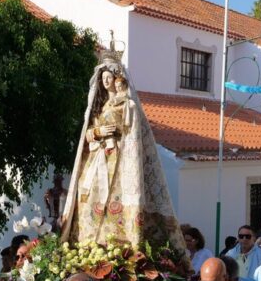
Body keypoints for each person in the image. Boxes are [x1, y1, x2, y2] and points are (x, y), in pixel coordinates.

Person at [60, 49, 184, 249]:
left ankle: (118, 243)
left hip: (119, 161)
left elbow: (133, 135)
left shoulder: (129, 106)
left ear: (119, 80)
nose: (106, 81)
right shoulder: (97, 107)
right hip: (96, 158)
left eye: (109, 77)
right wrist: (98, 132)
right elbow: (87, 133)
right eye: (103, 78)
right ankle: (87, 243)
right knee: (89, 200)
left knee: (114, 200)